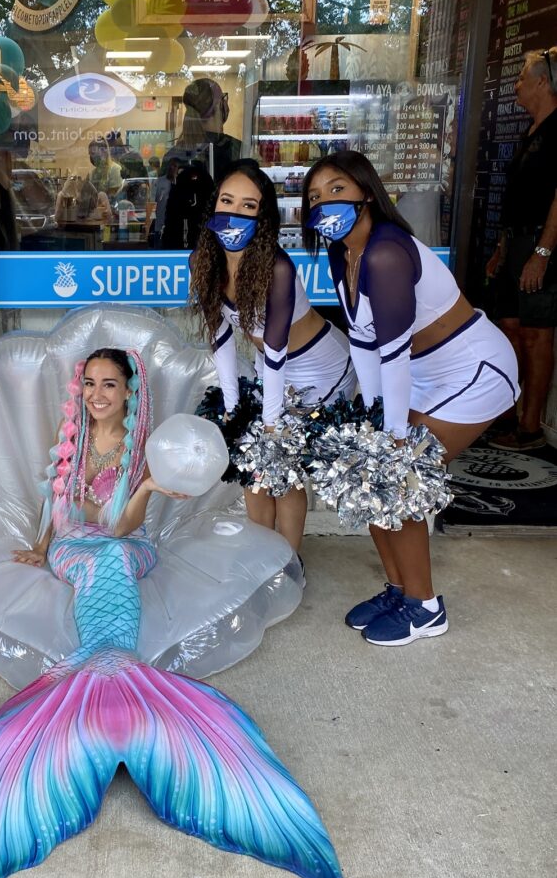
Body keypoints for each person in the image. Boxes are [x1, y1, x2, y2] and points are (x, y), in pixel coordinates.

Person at [0, 347, 346, 878]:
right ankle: (113, 674)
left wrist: (144, 486)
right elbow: (61, 508)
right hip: (76, 548)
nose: (98, 395)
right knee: (97, 561)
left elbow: (120, 526)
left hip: (124, 545)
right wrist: (45, 546)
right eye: (90, 384)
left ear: (128, 392)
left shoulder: (142, 448)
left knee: (118, 556)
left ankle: (106, 672)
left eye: (110, 385)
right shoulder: (71, 439)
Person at [302, 150, 519, 646]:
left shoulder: (385, 252)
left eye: (337, 189)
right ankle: (398, 589)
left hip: (472, 368)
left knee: (396, 474)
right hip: (417, 372)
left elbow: (394, 352)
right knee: (367, 471)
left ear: (366, 191)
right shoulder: (344, 253)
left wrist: (392, 434)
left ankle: (424, 607)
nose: (325, 203)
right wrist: (371, 417)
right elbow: (363, 340)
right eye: (314, 196)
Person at [190, 160, 357, 556]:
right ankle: (260, 555)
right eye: (227, 201)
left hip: (322, 367)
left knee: (284, 468)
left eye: (248, 206)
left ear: (262, 218)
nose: (234, 213)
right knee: (255, 470)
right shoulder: (203, 261)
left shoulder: (278, 268)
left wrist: (269, 425)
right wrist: (232, 408)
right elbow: (222, 337)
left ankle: (288, 563)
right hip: (272, 368)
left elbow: (278, 349)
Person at [486, 46, 557, 451]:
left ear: (542, 83)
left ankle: (530, 428)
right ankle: (507, 415)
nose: (516, 86)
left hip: (538, 246)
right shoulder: (529, 131)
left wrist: (542, 253)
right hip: (516, 242)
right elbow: (517, 197)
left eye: (521, 79)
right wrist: (502, 247)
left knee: (535, 334)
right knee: (509, 329)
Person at [162, 77, 241, 182]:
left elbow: (163, 195)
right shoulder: (236, 150)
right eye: (223, 98)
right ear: (218, 106)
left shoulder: (173, 155)